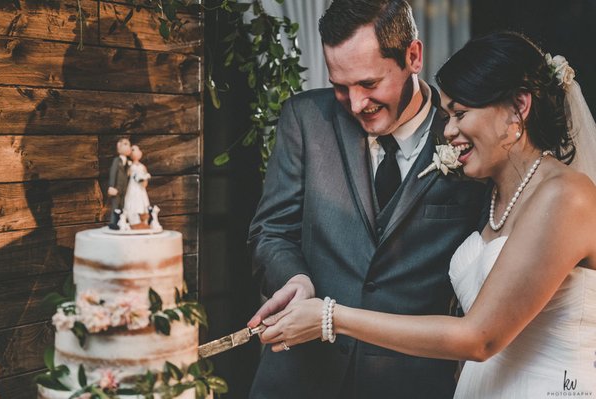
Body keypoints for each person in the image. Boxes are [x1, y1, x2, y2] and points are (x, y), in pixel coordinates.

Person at [260, 32, 596, 398]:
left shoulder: (569, 197)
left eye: (461, 114)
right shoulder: (499, 195)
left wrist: (331, 317)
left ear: (519, 106)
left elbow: (479, 337)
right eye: (448, 114)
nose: (448, 130)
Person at [246, 1, 486, 397]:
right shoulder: (305, 120)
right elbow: (271, 231)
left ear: (413, 56)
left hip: (409, 383)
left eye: (370, 84)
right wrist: (296, 279)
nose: (357, 104)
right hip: (300, 377)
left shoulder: (465, 136)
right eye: (341, 86)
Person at [123, 145, 152, 228]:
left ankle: (143, 220)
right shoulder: (130, 165)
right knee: (132, 202)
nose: (135, 152)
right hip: (133, 187)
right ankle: (133, 221)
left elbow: (145, 174)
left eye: (136, 150)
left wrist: (145, 181)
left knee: (142, 201)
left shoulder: (142, 166)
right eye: (132, 150)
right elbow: (127, 175)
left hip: (141, 188)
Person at [108, 138, 132, 229]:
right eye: (125, 144)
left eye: (129, 145)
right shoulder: (117, 161)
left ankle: (121, 222)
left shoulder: (128, 163)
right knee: (115, 205)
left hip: (124, 189)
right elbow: (113, 173)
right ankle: (113, 222)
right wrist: (111, 186)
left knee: (122, 206)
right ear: (119, 146)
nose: (128, 147)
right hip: (116, 188)